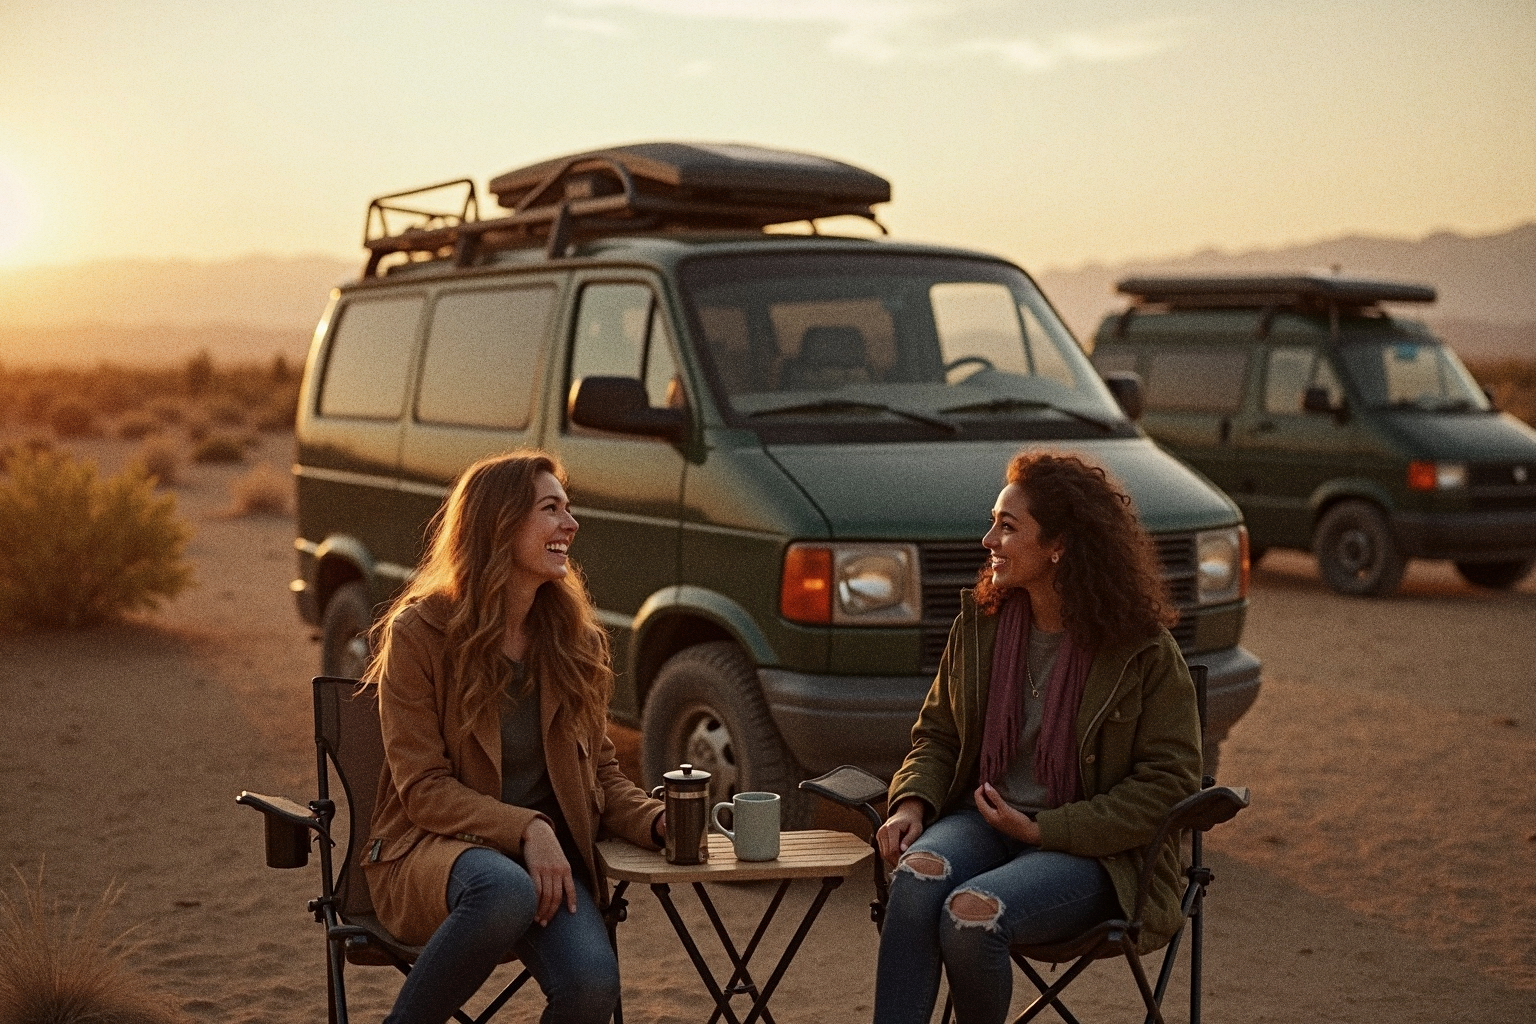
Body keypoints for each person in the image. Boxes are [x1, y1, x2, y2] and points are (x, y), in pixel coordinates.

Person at [872, 451, 1203, 1024]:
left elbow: (1168, 785)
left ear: (1060, 545)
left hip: (1086, 848)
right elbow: (938, 734)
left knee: (971, 915)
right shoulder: (980, 625)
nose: (987, 539)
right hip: (982, 820)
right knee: (917, 877)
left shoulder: (1142, 650)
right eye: (993, 522)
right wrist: (910, 803)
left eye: (1007, 526)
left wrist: (1045, 828)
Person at [361, 450, 664, 1024]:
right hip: (432, 853)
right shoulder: (420, 634)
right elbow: (422, 789)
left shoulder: (574, 640)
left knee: (592, 989)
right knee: (504, 889)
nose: (570, 525)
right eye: (551, 510)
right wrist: (526, 827)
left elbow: (599, 773)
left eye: (568, 509)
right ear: (499, 525)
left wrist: (656, 821)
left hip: (546, 868)